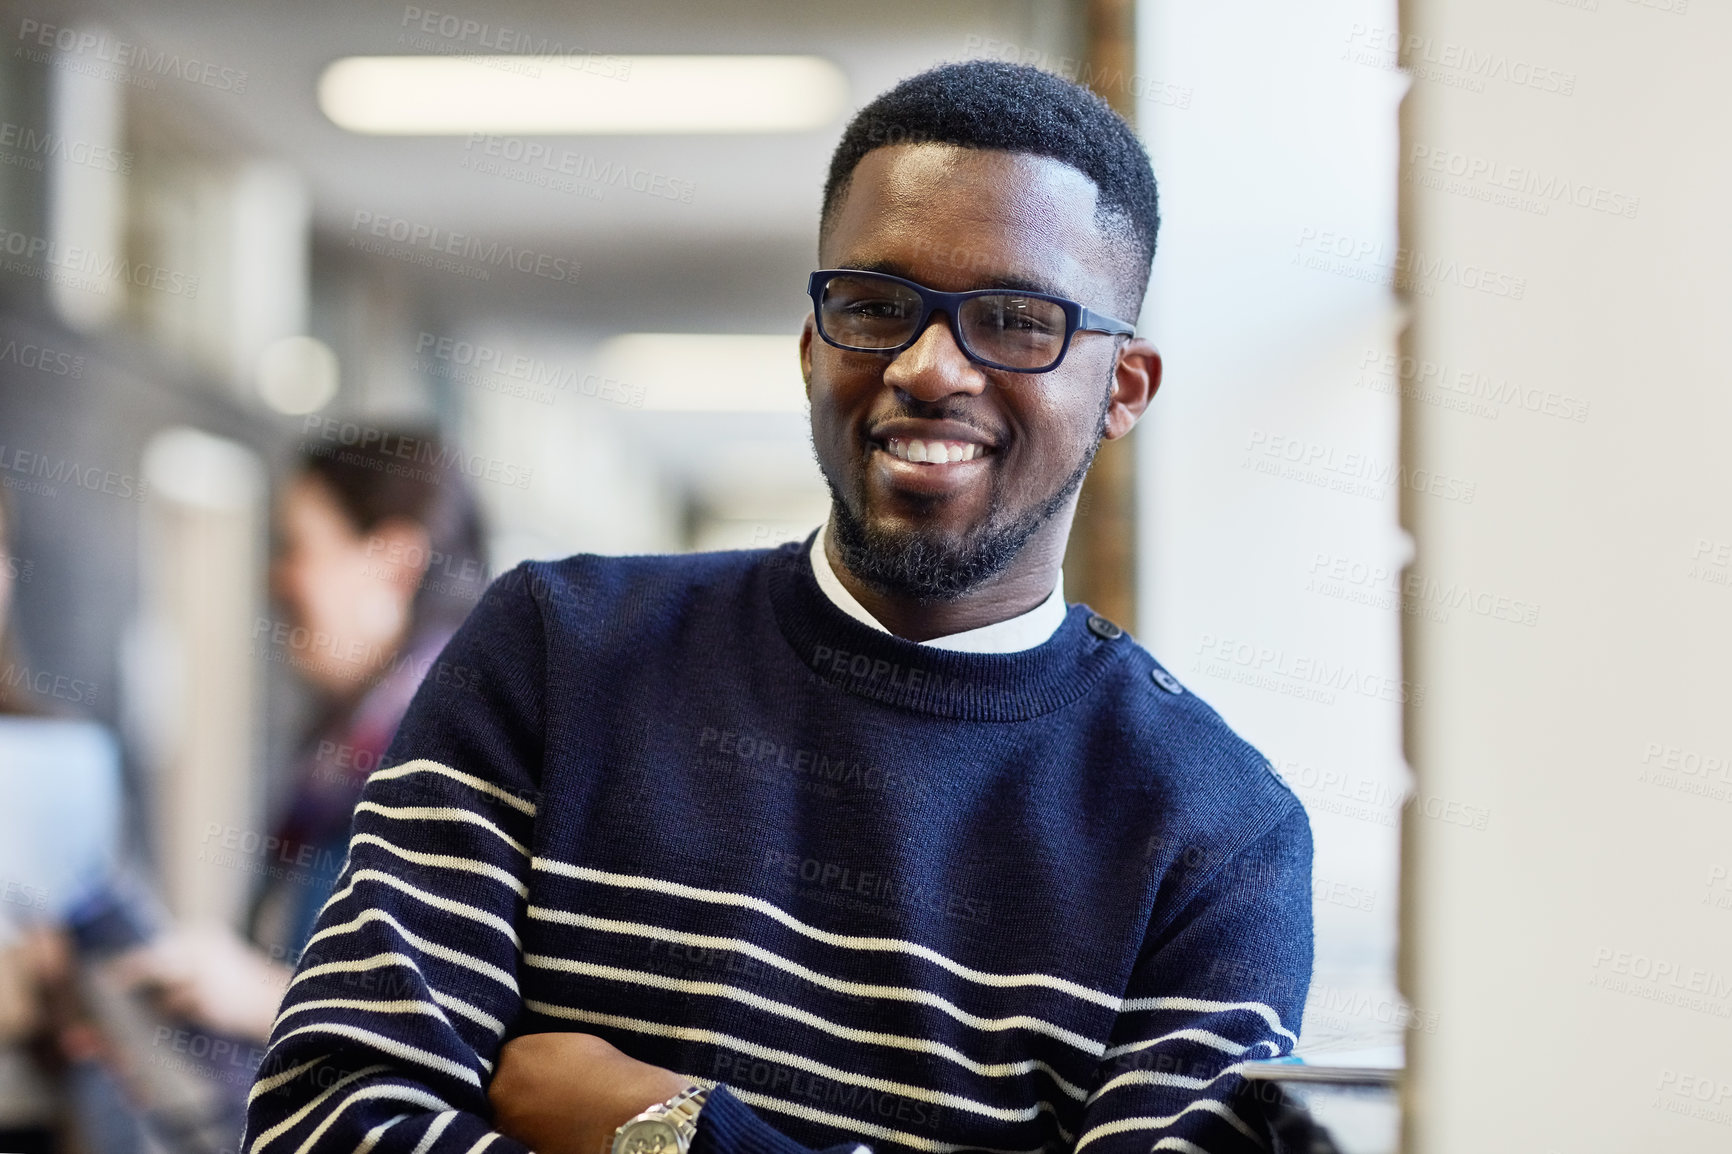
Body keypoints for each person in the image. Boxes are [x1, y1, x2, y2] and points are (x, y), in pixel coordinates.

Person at [242, 62, 1313, 1154]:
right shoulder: (556, 654)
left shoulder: (1212, 836)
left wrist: (664, 1131)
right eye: (875, 305)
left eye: (1014, 318)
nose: (930, 366)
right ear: (812, 344)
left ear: (1123, 387)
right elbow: (321, 1120)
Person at [121, 429, 489, 1045]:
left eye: (299, 548)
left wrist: (263, 997)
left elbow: (461, 1033)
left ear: (395, 562)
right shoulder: (343, 749)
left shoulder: (458, 760)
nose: (278, 579)